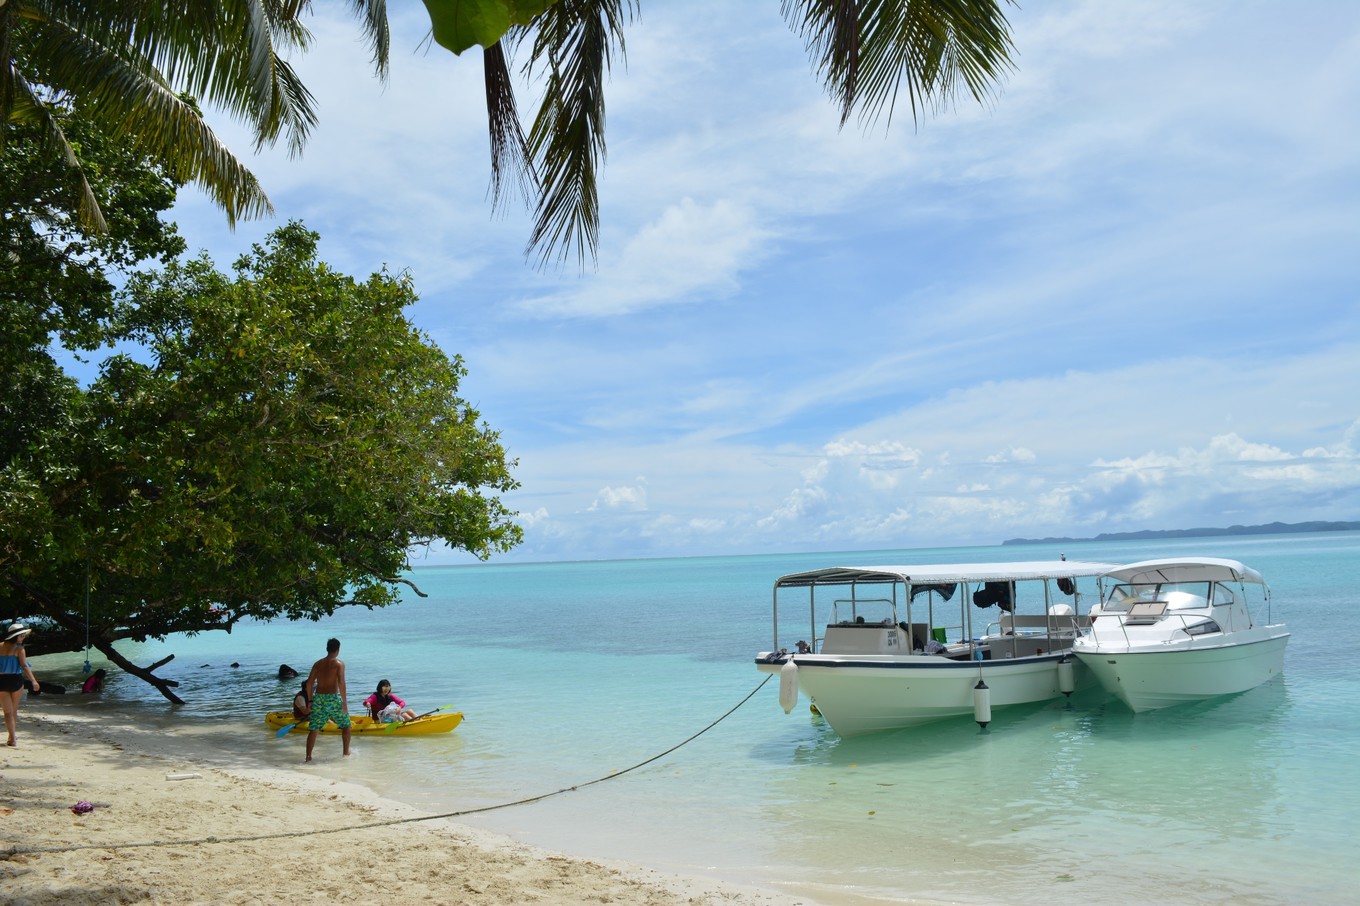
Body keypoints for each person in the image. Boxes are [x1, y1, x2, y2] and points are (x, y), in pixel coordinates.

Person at [303, 638, 350, 762]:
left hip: (318, 698)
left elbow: (309, 683)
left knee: (314, 728)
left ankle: (308, 757)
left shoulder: (318, 664)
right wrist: (344, 703)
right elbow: (341, 683)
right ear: (338, 650)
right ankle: (346, 755)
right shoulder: (339, 664)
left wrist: (310, 701)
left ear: (327, 649)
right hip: (332, 699)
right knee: (346, 726)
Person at [0, 623, 40, 747]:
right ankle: (12, 737)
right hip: (15, 680)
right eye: (22, 635)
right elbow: (24, 666)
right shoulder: (19, 649)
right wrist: (33, 681)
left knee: (7, 712)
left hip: (1, 680)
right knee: (13, 710)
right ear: (15, 636)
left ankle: (12, 738)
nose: (23, 637)